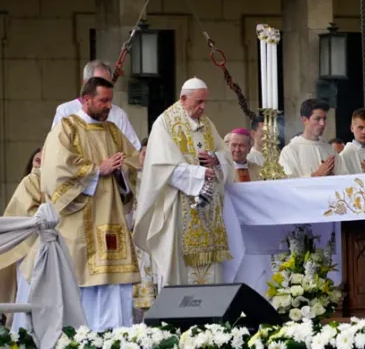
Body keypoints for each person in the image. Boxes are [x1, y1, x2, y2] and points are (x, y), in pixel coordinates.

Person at [40, 76, 141, 330]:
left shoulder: (114, 131)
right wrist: (98, 170)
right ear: (86, 100)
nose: (109, 106)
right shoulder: (67, 128)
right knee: (86, 286)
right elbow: (57, 171)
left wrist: (120, 172)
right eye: (103, 101)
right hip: (81, 222)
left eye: (110, 101)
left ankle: (121, 338)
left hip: (113, 220)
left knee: (117, 288)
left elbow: (133, 165)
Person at [133, 77, 236, 289]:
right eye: (199, 102)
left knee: (210, 271)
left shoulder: (207, 124)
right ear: (183, 99)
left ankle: (210, 318)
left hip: (208, 212)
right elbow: (161, 166)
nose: (203, 108)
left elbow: (225, 153)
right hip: (179, 208)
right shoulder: (165, 123)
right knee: (179, 270)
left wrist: (216, 159)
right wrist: (198, 174)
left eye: (205, 102)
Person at [52, 60, 141, 150]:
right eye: (100, 83)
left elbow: (134, 151)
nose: (105, 88)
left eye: (108, 84)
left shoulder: (119, 115)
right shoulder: (65, 111)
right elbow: (57, 149)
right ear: (85, 83)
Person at [0, 149, 44, 331]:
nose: (39, 163)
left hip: (54, 248)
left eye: (44, 159)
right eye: (37, 159)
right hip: (28, 250)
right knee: (27, 297)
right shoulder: (29, 182)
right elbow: (25, 215)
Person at [278, 98, 347, 177]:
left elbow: (344, 179)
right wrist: (317, 175)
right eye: (317, 119)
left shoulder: (329, 149)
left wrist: (332, 176)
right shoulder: (291, 150)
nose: (322, 123)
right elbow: (287, 184)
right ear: (304, 120)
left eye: (324, 119)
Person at [129, 138, 155, 323]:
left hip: (156, 236)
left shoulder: (159, 178)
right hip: (136, 238)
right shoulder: (130, 178)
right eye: (144, 153)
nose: (146, 157)